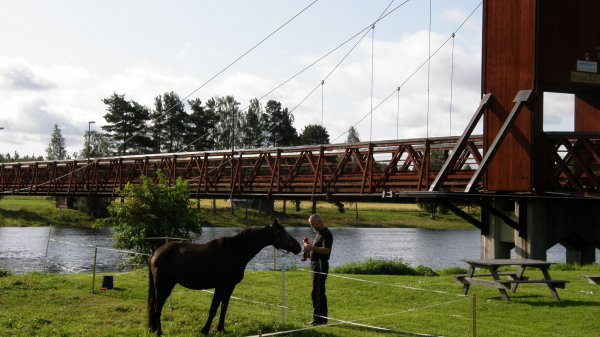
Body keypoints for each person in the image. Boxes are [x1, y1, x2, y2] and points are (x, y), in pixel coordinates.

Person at [304, 213, 333, 326]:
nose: (311, 226)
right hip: (315, 264)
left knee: (317, 292)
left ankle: (318, 320)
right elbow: (317, 249)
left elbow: (326, 250)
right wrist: (308, 253)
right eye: (310, 224)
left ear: (319, 222)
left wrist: (311, 247)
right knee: (318, 292)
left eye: (312, 224)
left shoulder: (326, 234)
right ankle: (322, 319)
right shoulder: (319, 233)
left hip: (320, 265)